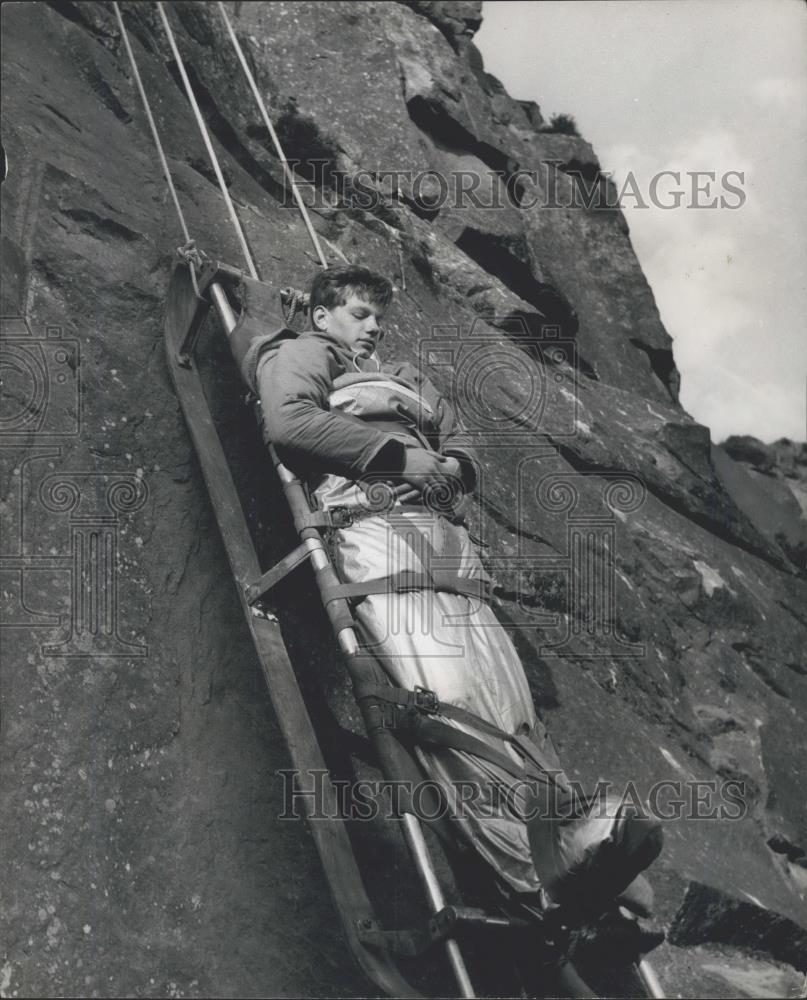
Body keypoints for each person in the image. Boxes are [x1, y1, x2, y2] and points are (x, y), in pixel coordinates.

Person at [246, 264, 662, 934]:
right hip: (371, 526)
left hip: (446, 543)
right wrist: (403, 461)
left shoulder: (407, 377)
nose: (372, 326)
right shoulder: (300, 353)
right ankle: (530, 874)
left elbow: (457, 439)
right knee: (439, 692)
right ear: (321, 315)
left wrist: (453, 470)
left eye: (377, 316)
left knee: (507, 699)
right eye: (357, 313)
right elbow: (289, 424)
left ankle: (565, 837)